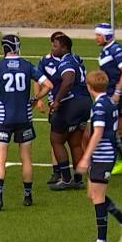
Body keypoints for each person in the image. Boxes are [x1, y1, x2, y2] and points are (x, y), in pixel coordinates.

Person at [0, 35, 53, 211]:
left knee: (0, 159)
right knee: (26, 158)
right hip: (24, 117)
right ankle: (28, 195)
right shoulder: (27, 65)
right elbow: (48, 85)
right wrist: (35, 98)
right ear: (17, 47)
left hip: (3, 118)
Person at [77, 70, 122, 242]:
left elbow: (97, 133)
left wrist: (85, 157)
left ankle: (101, 241)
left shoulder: (99, 106)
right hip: (103, 155)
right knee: (93, 194)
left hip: (102, 155)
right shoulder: (110, 102)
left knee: (97, 197)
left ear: (89, 87)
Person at [93, 23, 122, 175]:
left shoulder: (117, 50)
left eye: (99, 35)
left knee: (116, 127)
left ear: (107, 35)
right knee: (117, 127)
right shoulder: (106, 50)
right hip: (111, 93)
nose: (96, 38)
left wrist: (118, 92)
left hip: (119, 94)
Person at [49, 35, 91, 191]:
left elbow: (68, 80)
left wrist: (57, 100)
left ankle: (66, 178)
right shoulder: (76, 58)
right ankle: (78, 179)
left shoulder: (66, 61)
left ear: (64, 48)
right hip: (85, 103)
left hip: (72, 104)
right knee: (75, 142)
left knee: (56, 139)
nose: (52, 49)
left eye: (55, 46)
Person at [40, 31, 68, 187]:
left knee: (77, 135)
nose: (53, 47)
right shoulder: (45, 61)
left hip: (70, 103)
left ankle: (83, 167)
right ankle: (57, 170)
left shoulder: (71, 59)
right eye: (53, 43)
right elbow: (39, 78)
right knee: (55, 137)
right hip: (54, 104)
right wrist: (38, 99)